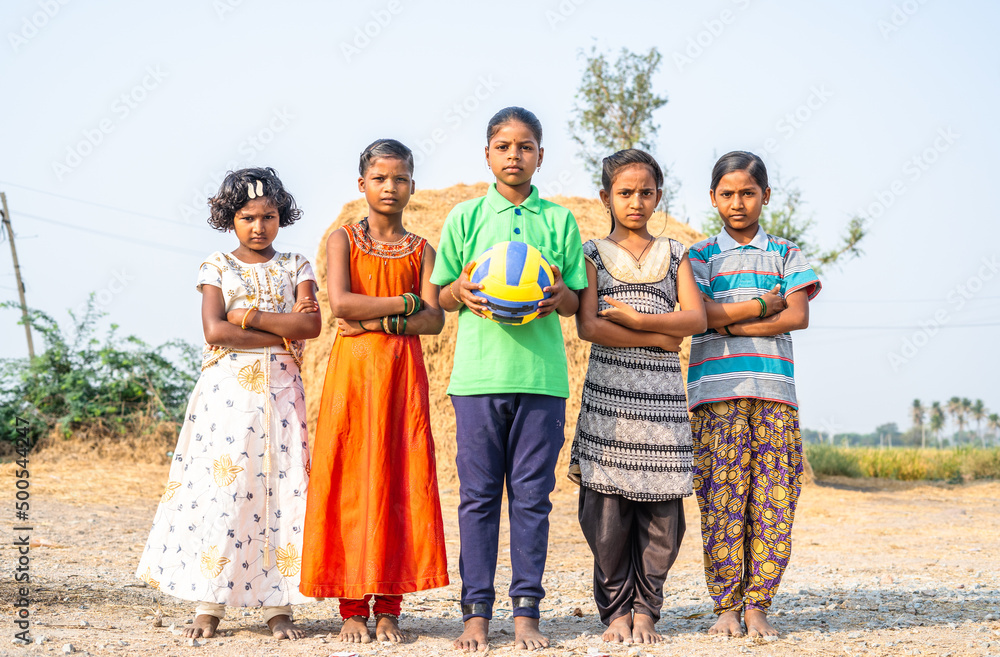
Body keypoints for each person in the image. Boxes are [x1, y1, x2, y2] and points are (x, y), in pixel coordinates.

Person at [135, 167, 321, 641]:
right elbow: (215, 330)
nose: (259, 227)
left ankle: (280, 605)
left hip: (281, 394)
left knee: (283, 489)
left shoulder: (297, 265)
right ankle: (209, 603)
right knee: (225, 490)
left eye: (269, 216)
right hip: (227, 397)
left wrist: (250, 316)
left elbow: (310, 329)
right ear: (229, 218)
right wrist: (279, 327)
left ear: (282, 216)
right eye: (247, 217)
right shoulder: (216, 266)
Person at [432, 106, 588, 651]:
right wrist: (461, 294)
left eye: (525, 147)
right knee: (477, 497)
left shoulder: (560, 221)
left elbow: (574, 300)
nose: (514, 156)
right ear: (488, 154)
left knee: (531, 497)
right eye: (504, 146)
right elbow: (441, 294)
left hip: (542, 379)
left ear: (540, 155)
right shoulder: (465, 217)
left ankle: (526, 613)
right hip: (477, 378)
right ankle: (475, 613)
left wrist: (558, 298)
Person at [299, 139, 449, 644]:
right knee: (351, 478)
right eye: (380, 178)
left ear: (412, 185)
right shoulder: (343, 240)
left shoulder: (424, 249)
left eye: (400, 178)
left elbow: (433, 320)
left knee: (398, 476)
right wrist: (406, 303)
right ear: (361, 184)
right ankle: (350, 606)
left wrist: (383, 316)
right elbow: (340, 303)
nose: (390, 187)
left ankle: (389, 605)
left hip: (402, 379)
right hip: (352, 379)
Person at [570, 148, 706, 644]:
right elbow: (588, 327)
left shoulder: (676, 254)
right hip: (610, 404)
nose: (635, 201)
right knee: (604, 515)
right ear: (605, 196)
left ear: (658, 196)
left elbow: (695, 320)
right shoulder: (589, 254)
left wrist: (638, 321)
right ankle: (615, 612)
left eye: (645, 192)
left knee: (662, 513)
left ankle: (647, 608)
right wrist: (662, 337)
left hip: (663, 408)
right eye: (625, 193)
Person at [686, 151, 821, 638]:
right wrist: (763, 305)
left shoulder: (787, 253)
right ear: (712, 198)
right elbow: (700, 314)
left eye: (747, 193)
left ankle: (759, 604)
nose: (737, 203)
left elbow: (798, 316)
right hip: (715, 395)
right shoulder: (698, 256)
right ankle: (725, 606)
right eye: (727, 194)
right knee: (720, 498)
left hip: (774, 394)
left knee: (774, 499)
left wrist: (731, 316)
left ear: (766, 195)